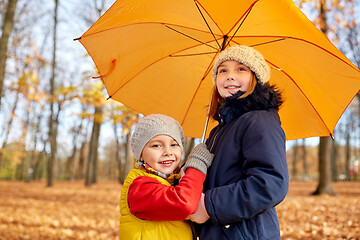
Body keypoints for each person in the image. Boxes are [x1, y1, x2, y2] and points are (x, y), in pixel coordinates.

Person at [189, 45, 289, 239]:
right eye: (222, 70)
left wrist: (209, 206)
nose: (230, 75)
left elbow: (269, 183)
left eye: (241, 69)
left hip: (245, 233)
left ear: (256, 78)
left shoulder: (259, 121)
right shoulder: (220, 130)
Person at [119, 114, 213, 240]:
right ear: (141, 154)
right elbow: (185, 204)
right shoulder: (139, 187)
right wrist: (196, 165)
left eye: (174, 145)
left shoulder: (174, 181)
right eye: (157, 145)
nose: (168, 152)